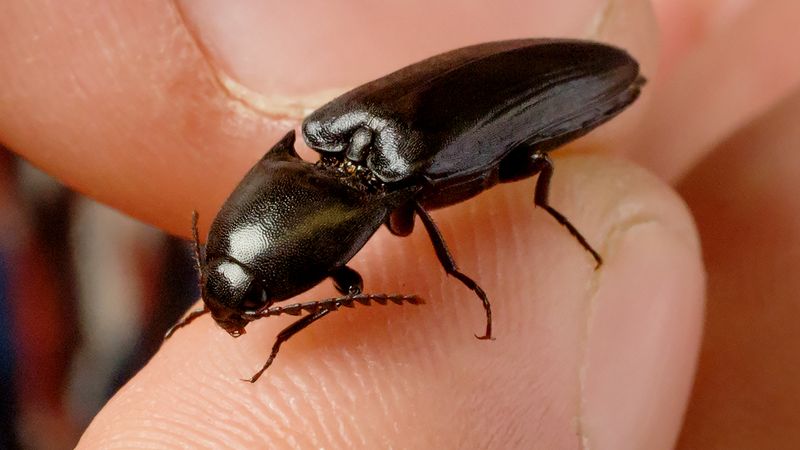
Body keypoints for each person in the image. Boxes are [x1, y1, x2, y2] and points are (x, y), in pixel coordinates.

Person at [2, 1, 798, 448]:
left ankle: (544, 217)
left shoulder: (391, 171)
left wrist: (456, 281)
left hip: (580, 88)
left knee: (537, 178)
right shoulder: (330, 134)